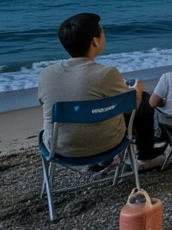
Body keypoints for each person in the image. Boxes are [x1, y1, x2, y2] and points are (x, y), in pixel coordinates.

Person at [38, 13, 165, 169]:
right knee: (144, 100)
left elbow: (45, 105)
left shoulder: (46, 74)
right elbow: (133, 105)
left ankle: (104, 162)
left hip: (59, 147)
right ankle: (145, 158)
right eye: (102, 33)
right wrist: (137, 87)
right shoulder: (106, 74)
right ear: (95, 42)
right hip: (106, 144)